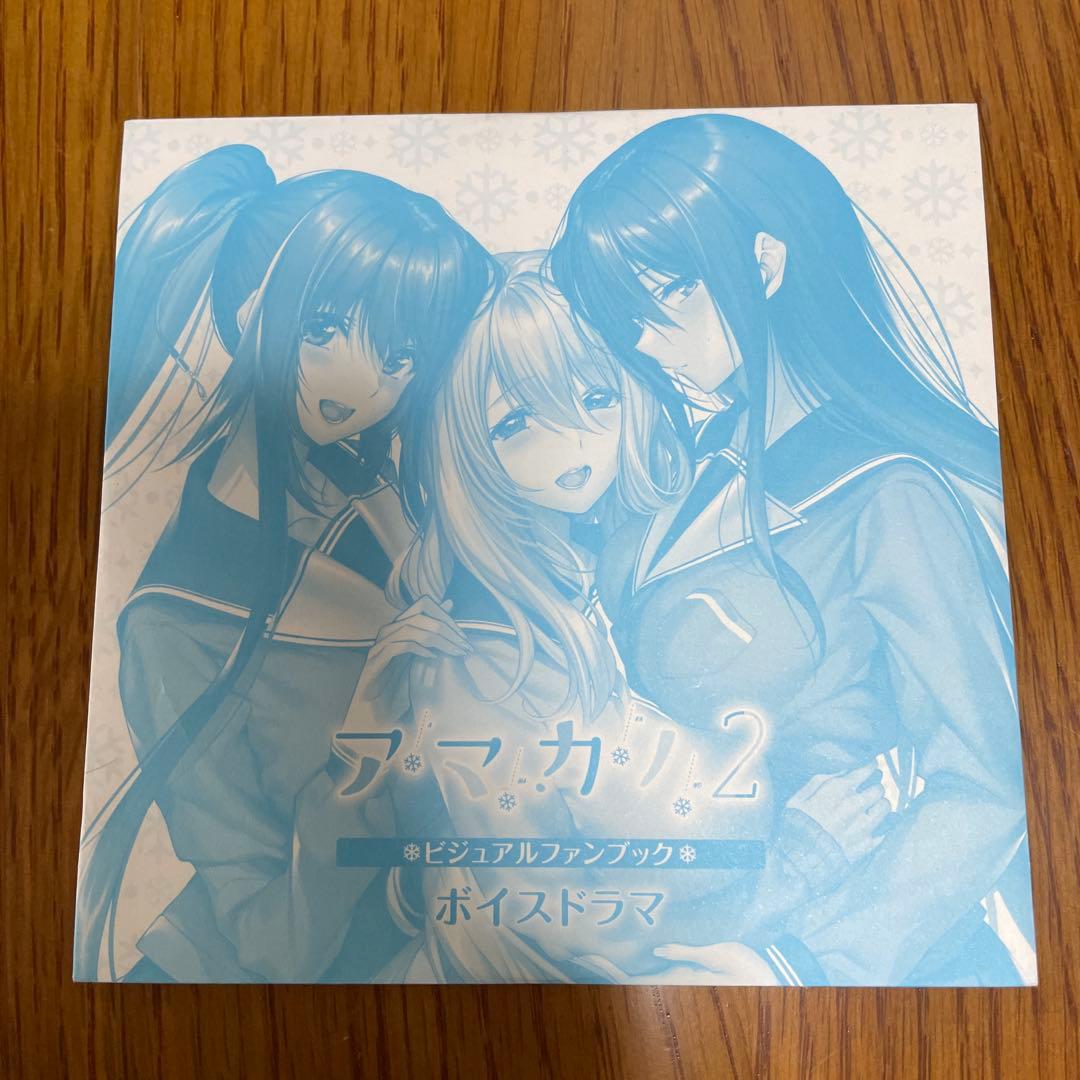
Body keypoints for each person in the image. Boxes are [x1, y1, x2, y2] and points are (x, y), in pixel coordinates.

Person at [547, 112, 1033, 985]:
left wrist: (804, 961)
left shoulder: (890, 495)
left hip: (873, 961)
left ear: (765, 264)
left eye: (668, 296)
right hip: (703, 925)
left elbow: (990, 782)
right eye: (624, 318)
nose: (645, 342)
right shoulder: (687, 470)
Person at [330, 256, 892, 984]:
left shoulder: (607, 563)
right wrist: (799, 862)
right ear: (460, 447)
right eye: (514, 423)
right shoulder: (486, 653)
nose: (571, 442)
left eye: (596, 397)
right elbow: (561, 927)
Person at [74, 145, 497, 982]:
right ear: (251, 310)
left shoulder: (376, 486)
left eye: (399, 358)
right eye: (323, 330)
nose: (361, 382)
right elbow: (274, 941)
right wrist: (368, 732)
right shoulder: (174, 623)